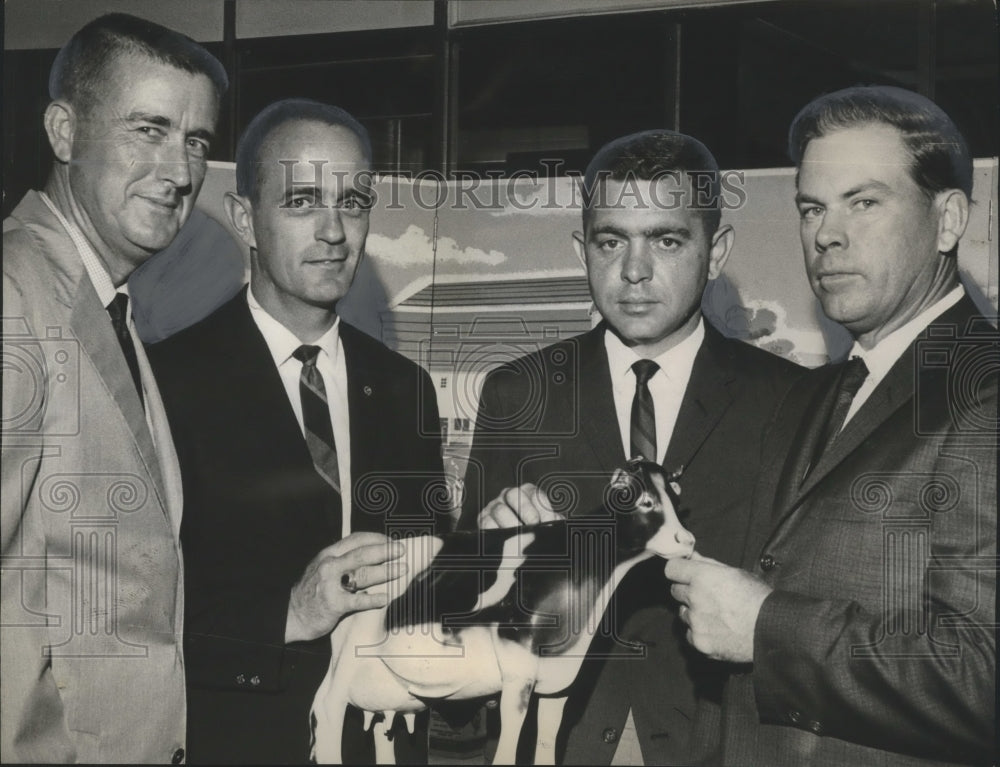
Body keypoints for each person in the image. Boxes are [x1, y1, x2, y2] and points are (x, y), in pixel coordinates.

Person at [666, 85, 996, 766]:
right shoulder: (820, 392)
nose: (826, 234)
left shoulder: (984, 394)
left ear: (949, 219)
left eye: (864, 202)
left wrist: (764, 626)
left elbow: (980, 677)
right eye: (812, 208)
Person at [457, 130, 802, 764]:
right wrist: (489, 545)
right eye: (610, 240)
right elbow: (463, 601)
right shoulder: (518, 391)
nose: (634, 271)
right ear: (580, 248)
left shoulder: (790, 401)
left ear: (716, 250)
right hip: (555, 740)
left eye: (667, 240)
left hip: (725, 743)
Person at [148, 99, 447, 764]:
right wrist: (289, 614)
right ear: (245, 218)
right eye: (304, 200)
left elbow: (433, 585)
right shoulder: (164, 384)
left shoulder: (405, 388)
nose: (335, 230)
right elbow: (128, 623)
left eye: (353, 200)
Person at [1, 13, 225, 763]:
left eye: (196, 141)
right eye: (149, 129)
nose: (181, 171)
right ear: (64, 133)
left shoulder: (109, 308)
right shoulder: (13, 294)